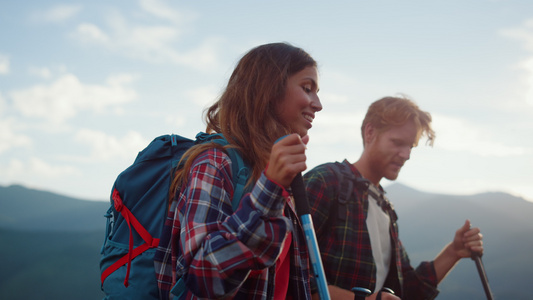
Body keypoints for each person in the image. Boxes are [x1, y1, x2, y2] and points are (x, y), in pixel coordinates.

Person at [155, 42, 322, 299]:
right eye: (307, 88)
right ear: (269, 89)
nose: (318, 104)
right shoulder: (214, 164)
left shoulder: (281, 180)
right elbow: (204, 276)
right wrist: (270, 190)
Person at [304, 96, 484, 300]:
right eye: (398, 143)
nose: (406, 154)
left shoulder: (385, 207)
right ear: (370, 132)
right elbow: (292, 274)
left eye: (410, 147)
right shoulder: (326, 181)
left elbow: (406, 290)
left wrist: (453, 252)